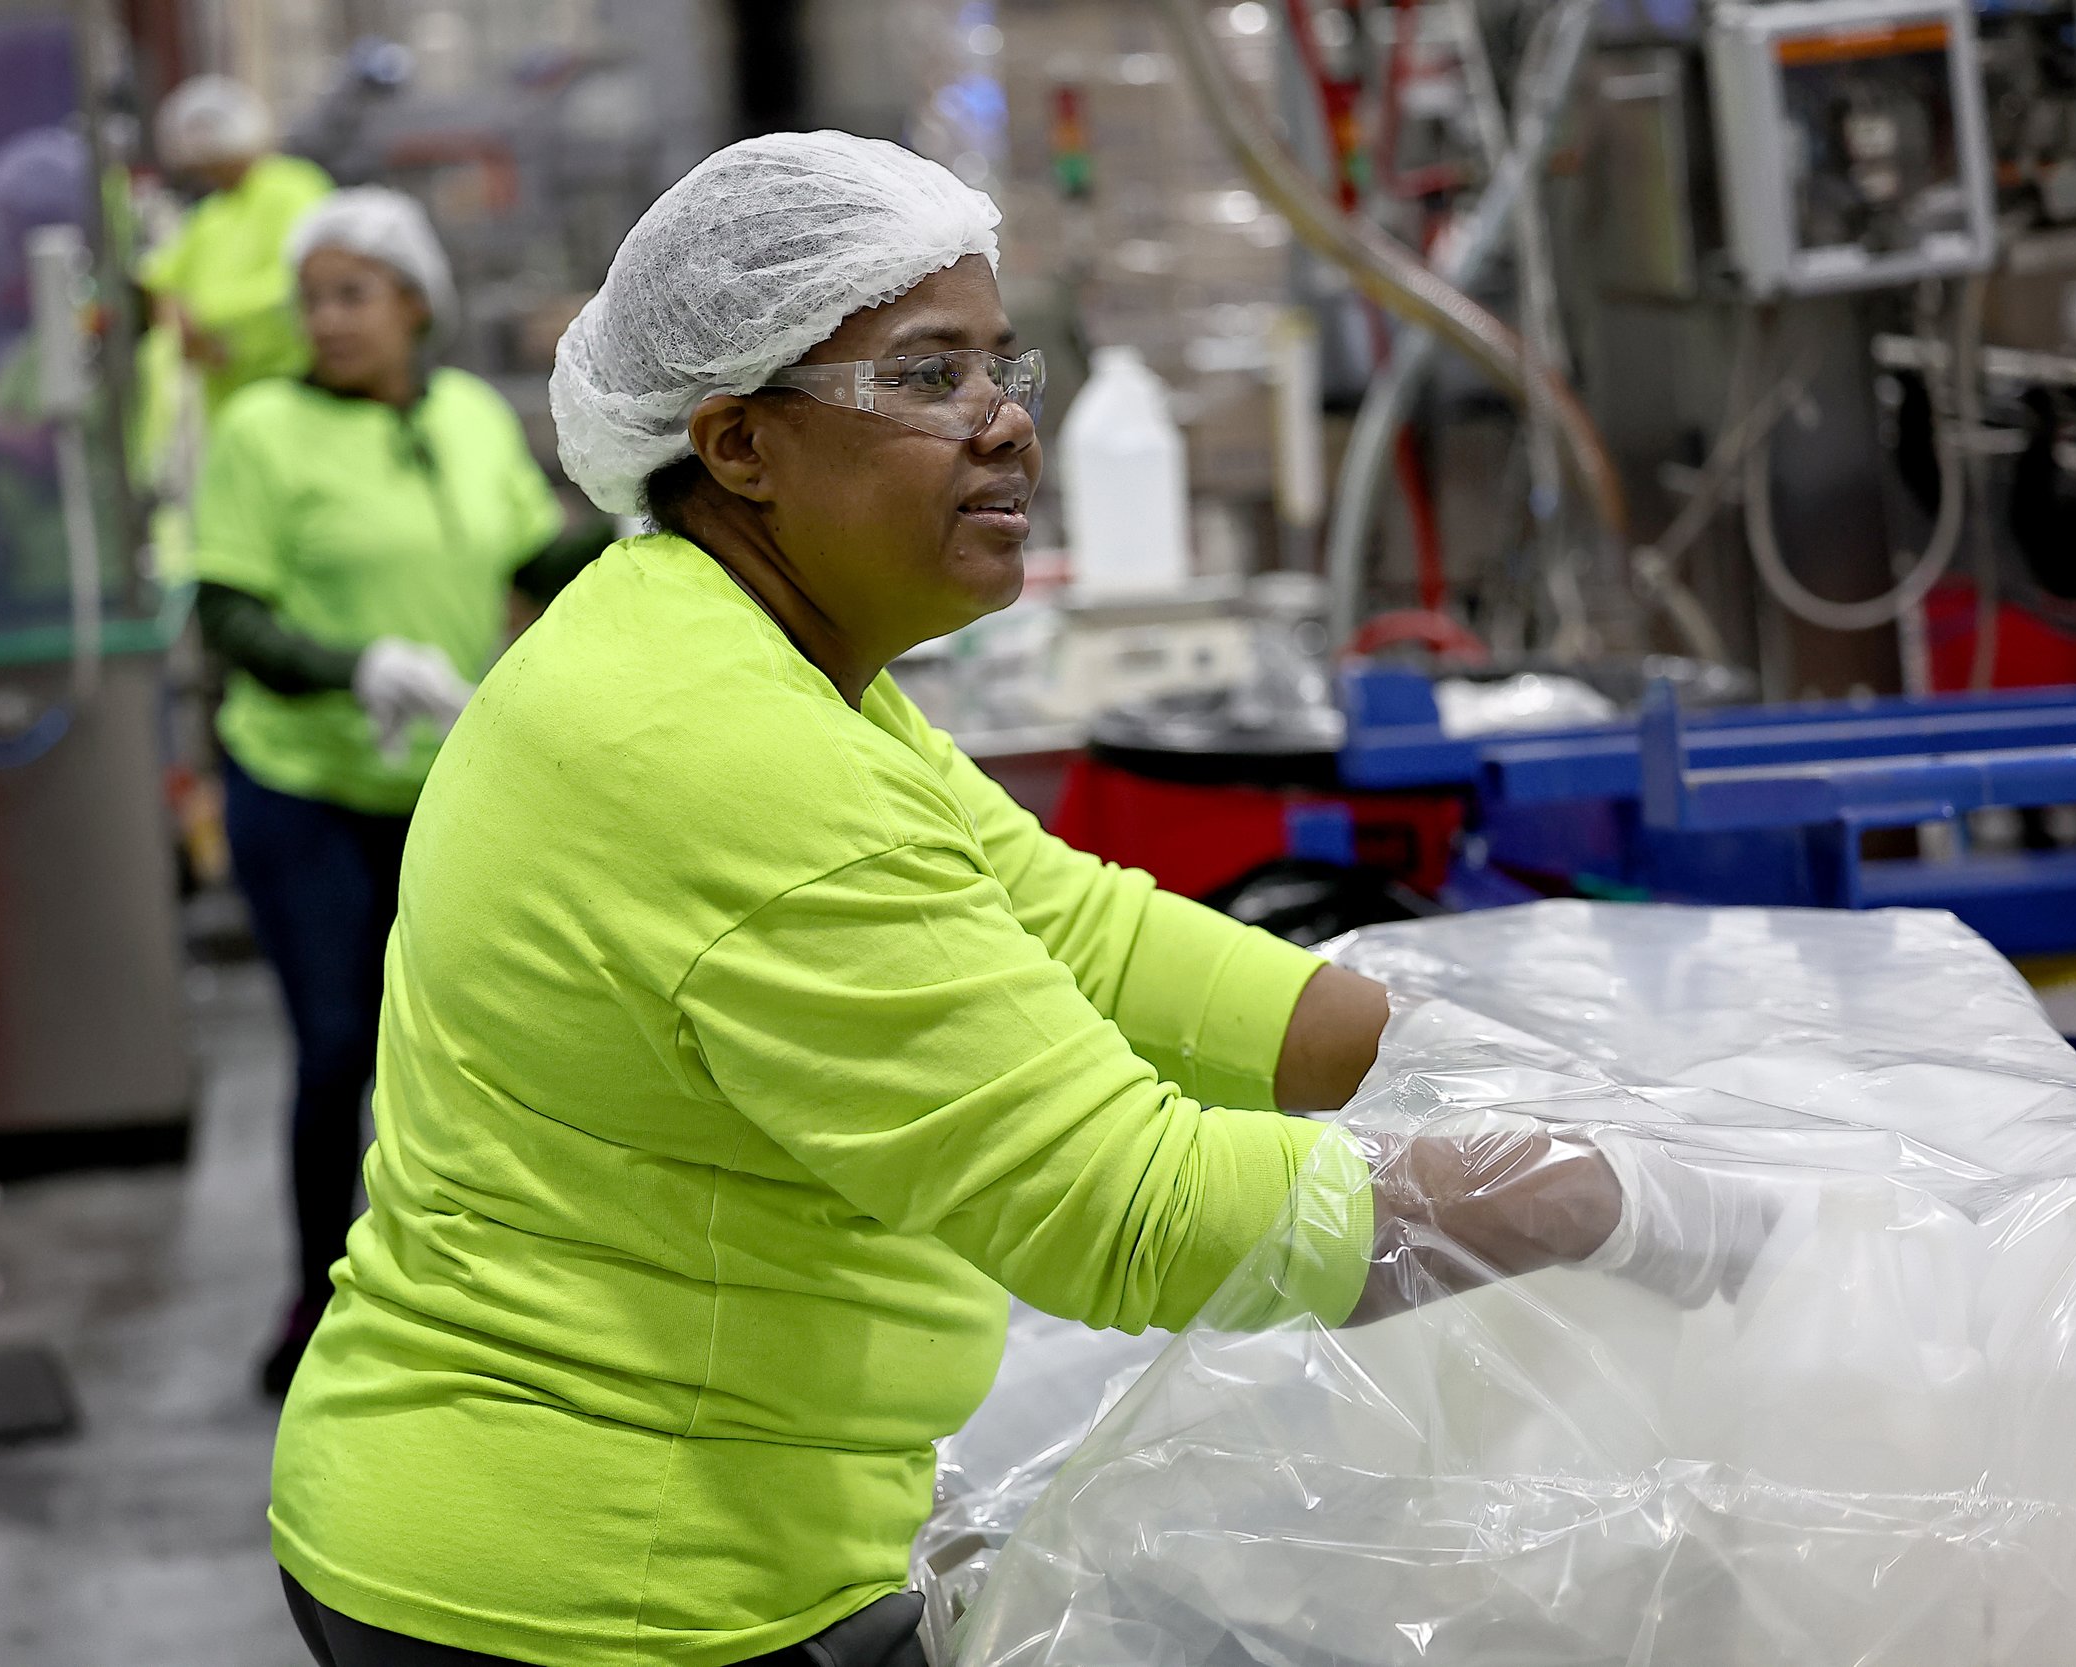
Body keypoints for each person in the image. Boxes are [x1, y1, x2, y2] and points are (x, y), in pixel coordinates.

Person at [268, 133, 1777, 1667]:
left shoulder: (738, 652)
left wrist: (1469, 1049)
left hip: (647, 1510)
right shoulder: (719, 745)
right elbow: (1122, 1206)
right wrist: (1590, 1195)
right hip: (596, 1584)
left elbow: (1073, 924)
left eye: (1003, 368)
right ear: (736, 443)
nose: (1005, 427)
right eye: (927, 378)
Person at [192, 187, 581, 1396]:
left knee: (465, 1047)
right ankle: (316, 1300)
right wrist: (353, 664)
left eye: (353, 293)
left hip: (445, 788)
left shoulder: (463, 415)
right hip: (303, 787)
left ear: (416, 304)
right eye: (312, 298)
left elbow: (525, 557)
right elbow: (227, 611)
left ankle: (467, 1297)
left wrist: (653, 506)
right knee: (333, 1049)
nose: (329, 319)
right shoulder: (261, 430)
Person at [141, 75, 333, 417]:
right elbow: (162, 279)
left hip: (289, 390)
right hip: (226, 400)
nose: (206, 173)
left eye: (213, 160)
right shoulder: (212, 213)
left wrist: (202, 318)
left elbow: (297, 283)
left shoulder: (293, 189)